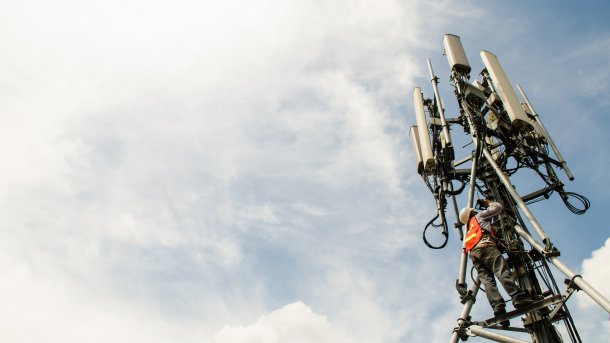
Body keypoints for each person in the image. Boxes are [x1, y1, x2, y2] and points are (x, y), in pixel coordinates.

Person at [459, 199, 534, 327]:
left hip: (475, 255)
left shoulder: (468, 230)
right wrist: (488, 203)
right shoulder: (479, 217)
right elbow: (498, 208)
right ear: (471, 213)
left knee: (488, 281)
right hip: (486, 247)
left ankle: (498, 307)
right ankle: (518, 297)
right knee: (501, 270)